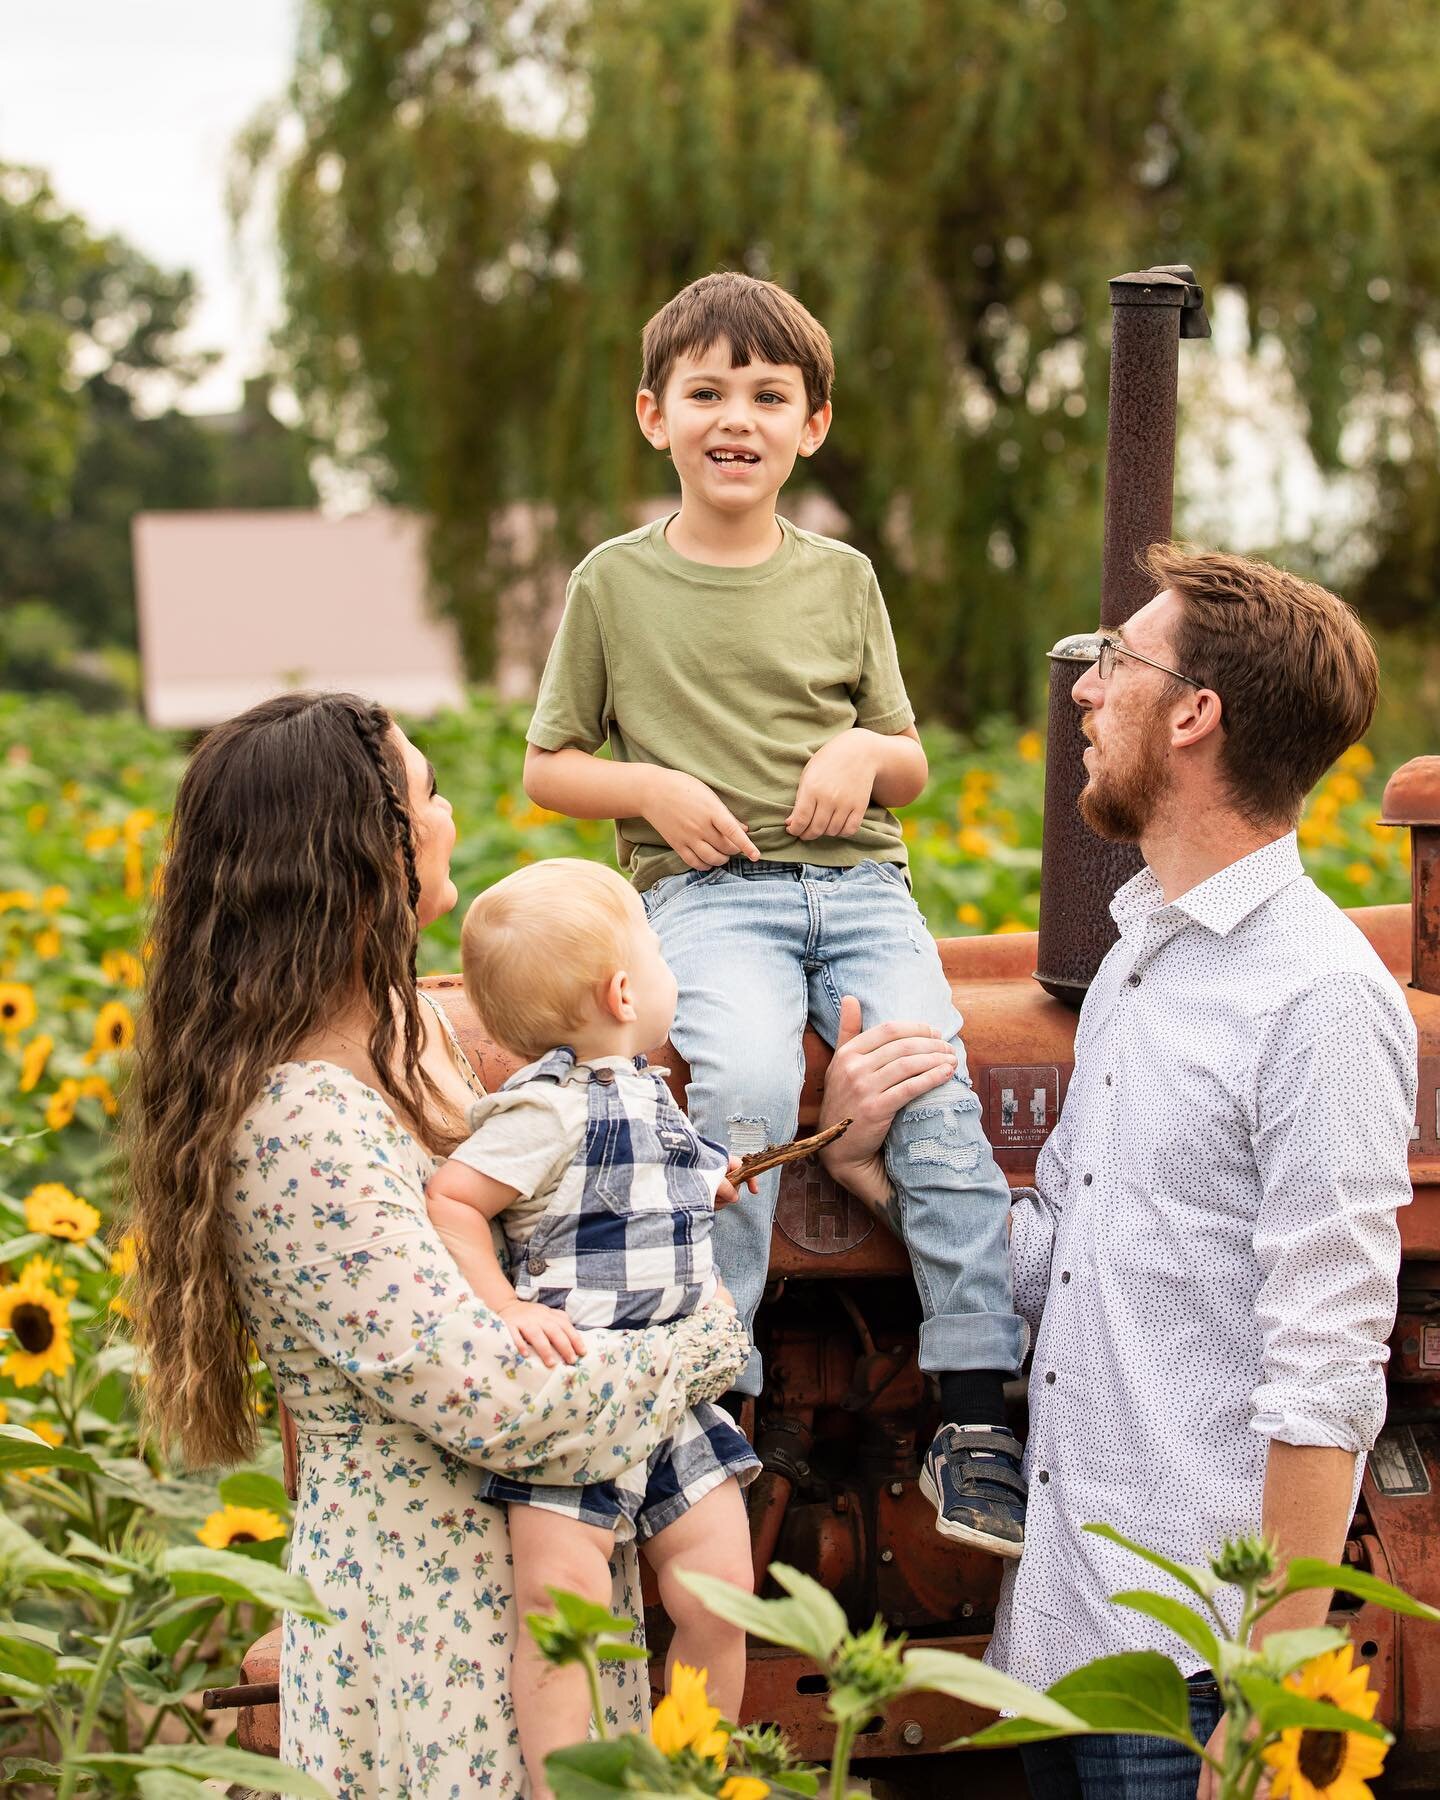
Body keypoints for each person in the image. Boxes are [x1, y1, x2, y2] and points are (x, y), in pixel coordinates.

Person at [821, 545, 1417, 1800]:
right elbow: (1074, 1266)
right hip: (1072, 1639)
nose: (1084, 693)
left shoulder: (1315, 998)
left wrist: (1268, 1698)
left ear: (1195, 714)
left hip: (1199, 1672)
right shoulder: (1145, 957)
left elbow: (1329, 1363)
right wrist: (881, 1177)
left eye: (1117, 663)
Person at [121, 692, 750, 1800]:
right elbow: (506, 1403)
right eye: (428, 796)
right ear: (368, 858)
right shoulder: (300, 1127)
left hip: (537, 1593)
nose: (451, 816)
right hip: (435, 1647)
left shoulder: (411, 1037)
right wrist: (705, 1339)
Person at [523, 270, 1027, 1557]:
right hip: (710, 896)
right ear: (655, 416)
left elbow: (906, 755)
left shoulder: (844, 577)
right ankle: (722, 1389)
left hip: (861, 889)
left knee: (929, 1089)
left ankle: (975, 1410)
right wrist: (648, 785)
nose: (734, 415)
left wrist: (864, 756)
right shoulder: (613, 585)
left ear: (813, 424)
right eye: (706, 391)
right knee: (740, 1081)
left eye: (768, 393)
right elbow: (549, 765)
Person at [425, 859, 759, 1796]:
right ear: (622, 990)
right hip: (580, 1401)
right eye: (656, 950)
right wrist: (508, 1306)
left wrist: (714, 1183)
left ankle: (690, 1772)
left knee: (719, 1597)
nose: (666, 968)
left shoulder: (652, 1091)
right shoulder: (547, 1107)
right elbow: (454, 1200)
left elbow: (662, 1180)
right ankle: (562, 1786)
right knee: (559, 1614)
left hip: (675, 1404)